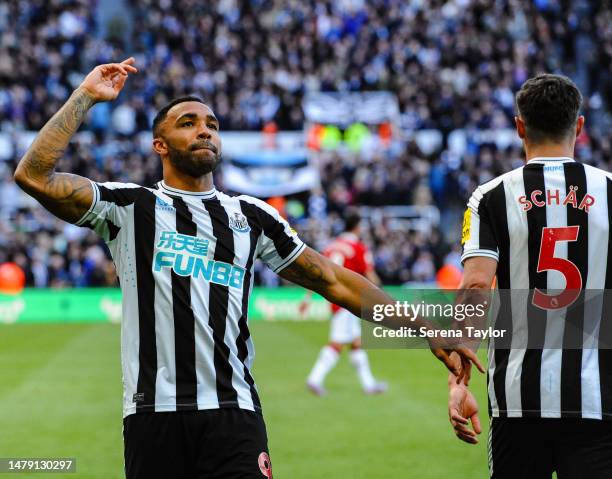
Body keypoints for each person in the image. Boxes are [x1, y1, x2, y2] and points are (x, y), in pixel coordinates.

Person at [13, 58, 480, 479]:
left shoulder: (252, 216)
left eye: (212, 124)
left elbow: (335, 281)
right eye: (188, 123)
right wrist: (87, 96)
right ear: (160, 144)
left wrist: (429, 331)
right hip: (153, 417)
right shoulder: (131, 207)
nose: (204, 130)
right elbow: (34, 176)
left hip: (234, 415)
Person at [448, 74, 612, 478]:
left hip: (517, 400)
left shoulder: (490, 197)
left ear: (519, 126)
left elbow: (474, 286)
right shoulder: (610, 191)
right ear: (579, 126)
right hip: (598, 397)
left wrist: (458, 381)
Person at [304, 210, 388, 395]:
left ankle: (369, 385)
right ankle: (314, 379)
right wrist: (384, 295)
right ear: (357, 227)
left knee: (356, 343)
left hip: (334, 298)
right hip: (349, 300)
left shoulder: (331, 246)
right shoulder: (358, 247)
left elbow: (317, 272)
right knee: (337, 343)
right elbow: (369, 274)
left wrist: (307, 298)